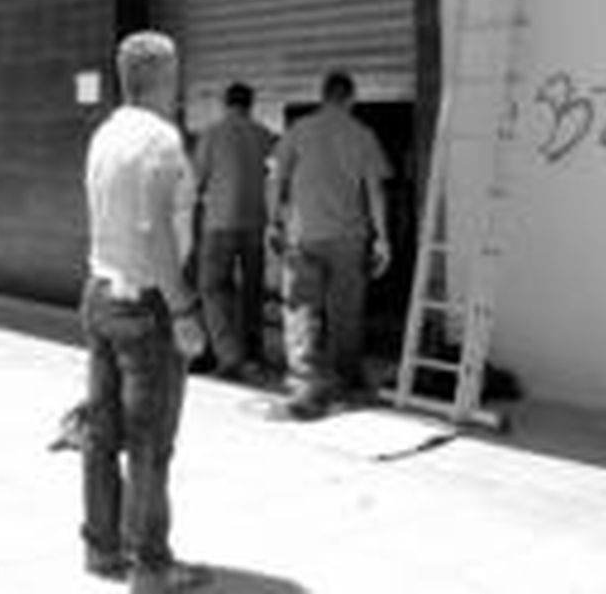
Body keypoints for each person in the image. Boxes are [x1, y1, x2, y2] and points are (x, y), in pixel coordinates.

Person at [80, 31, 211, 593]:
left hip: (100, 295)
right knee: (151, 443)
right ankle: (153, 566)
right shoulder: (161, 139)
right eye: (176, 70)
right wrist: (183, 308)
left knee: (102, 434)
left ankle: (102, 549)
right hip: (146, 309)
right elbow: (157, 230)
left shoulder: (105, 134)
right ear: (164, 75)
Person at [267, 70, 392, 420]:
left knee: (301, 308)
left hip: (304, 235)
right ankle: (346, 380)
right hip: (349, 237)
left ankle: (304, 384)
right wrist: (383, 238)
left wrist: (272, 221)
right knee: (346, 312)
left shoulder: (299, 130)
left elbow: (275, 176)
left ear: (322, 96)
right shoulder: (362, 134)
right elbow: (375, 190)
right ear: (351, 99)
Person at [191, 82, 276, 382]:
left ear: (225, 103)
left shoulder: (211, 134)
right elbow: (275, 177)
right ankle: (254, 352)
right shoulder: (265, 135)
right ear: (250, 105)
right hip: (254, 222)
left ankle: (228, 355)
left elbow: (197, 180)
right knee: (252, 290)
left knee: (213, 288)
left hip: (219, 222)